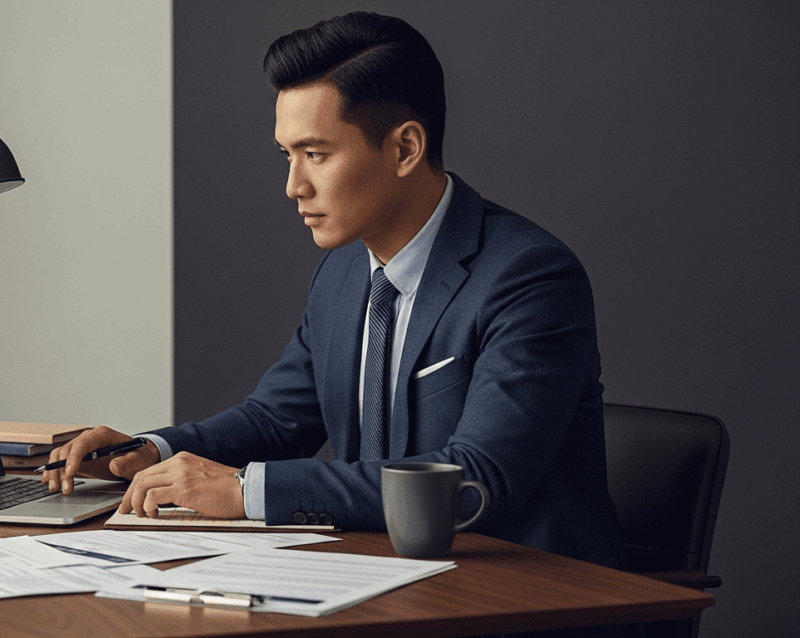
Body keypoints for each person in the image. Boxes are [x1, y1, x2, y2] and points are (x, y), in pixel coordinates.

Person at [43, 10, 630, 585]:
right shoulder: (344, 273)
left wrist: (243, 492)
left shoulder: (529, 276)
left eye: (316, 154)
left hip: (526, 603)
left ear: (404, 149)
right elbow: (277, 420)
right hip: (379, 585)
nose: (294, 185)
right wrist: (150, 450)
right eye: (287, 154)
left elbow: (472, 482)